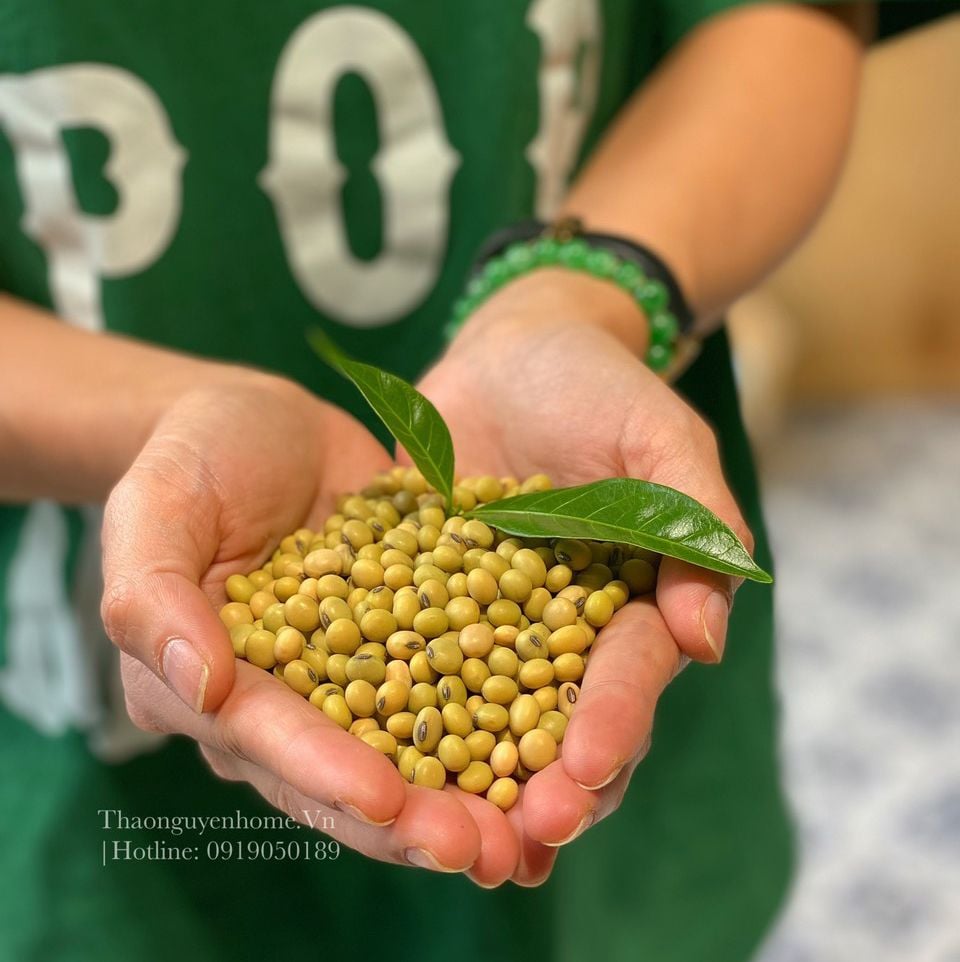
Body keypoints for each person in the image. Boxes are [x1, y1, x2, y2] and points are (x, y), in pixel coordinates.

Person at [0, 3, 865, 960]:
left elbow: (784, 23)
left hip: (627, 829)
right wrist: (160, 424)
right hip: (96, 808)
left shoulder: (471, 604)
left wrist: (579, 297)